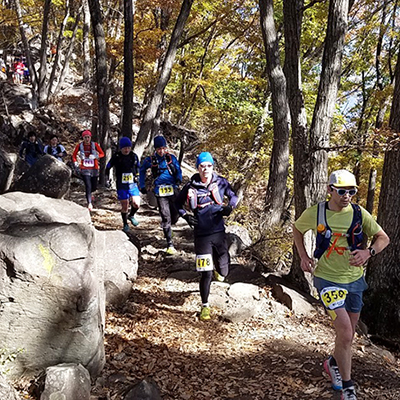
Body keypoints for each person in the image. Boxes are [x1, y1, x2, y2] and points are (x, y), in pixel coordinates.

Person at [293, 169, 390, 400]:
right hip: (327, 279)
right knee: (345, 331)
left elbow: (383, 238)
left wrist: (369, 252)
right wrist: (303, 256)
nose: (347, 195)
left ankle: (332, 363)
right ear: (330, 190)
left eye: (352, 191)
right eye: (342, 191)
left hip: (355, 280)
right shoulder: (317, 213)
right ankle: (347, 387)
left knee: (348, 334)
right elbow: (297, 228)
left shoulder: (359, 213)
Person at [176, 152, 238, 321]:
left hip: (218, 232)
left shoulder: (221, 182)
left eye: (209, 166)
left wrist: (229, 207)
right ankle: (205, 306)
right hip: (201, 235)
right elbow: (176, 203)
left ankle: (221, 272)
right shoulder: (190, 187)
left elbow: (234, 196)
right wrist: (186, 216)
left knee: (224, 269)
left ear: (213, 167)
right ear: (197, 168)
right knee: (206, 273)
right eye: (202, 166)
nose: (206, 169)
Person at [139, 135, 182, 255]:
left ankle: (170, 227)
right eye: (159, 149)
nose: (161, 151)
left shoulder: (171, 158)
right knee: (165, 215)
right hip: (160, 191)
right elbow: (142, 171)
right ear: (155, 149)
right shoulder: (151, 160)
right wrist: (141, 185)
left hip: (173, 188)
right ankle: (170, 244)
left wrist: (178, 179)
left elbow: (178, 170)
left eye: (163, 148)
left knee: (176, 214)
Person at [105, 137, 141, 232]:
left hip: (132, 184)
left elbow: (138, 167)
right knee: (125, 205)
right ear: (121, 148)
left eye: (128, 147)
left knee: (136, 203)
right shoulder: (117, 157)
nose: (127, 150)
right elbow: (108, 167)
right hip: (121, 184)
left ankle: (131, 215)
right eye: (125, 148)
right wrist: (107, 178)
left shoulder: (134, 156)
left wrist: (137, 176)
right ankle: (125, 224)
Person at [72, 130, 105, 211]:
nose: (87, 139)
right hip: (84, 167)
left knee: (94, 186)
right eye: (85, 137)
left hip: (94, 167)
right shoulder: (80, 146)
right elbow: (74, 155)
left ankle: (90, 194)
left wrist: (95, 156)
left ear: (90, 137)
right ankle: (89, 203)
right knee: (88, 185)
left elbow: (102, 153)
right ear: (83, 138)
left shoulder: (95, 145)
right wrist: (75, 162)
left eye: (88, 137)